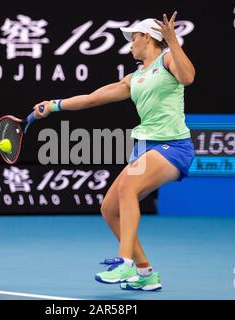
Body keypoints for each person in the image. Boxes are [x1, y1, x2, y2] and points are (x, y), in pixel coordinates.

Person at [33, 12, 196, 291]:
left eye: (133, 38)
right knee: (109, 209)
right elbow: (93, 98)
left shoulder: (167, 60)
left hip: (173, 146)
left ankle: (125, 262)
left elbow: (188, 77)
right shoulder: (134, 77)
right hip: (145, 147)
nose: (130, 44)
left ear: (147, 38)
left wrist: (172, 41)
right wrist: (55, 105)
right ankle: (146, 273)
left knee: (128, 187)